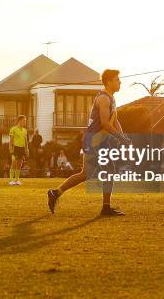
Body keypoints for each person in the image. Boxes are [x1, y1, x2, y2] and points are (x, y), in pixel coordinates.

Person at [47, 69, 127, 216]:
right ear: (108, 81)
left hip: (100, 140)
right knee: (94, 173)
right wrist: (121, 138)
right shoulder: (104, 98)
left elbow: (115, 120)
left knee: (94, 173)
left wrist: (123, 137)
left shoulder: (111, 98)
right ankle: (105, 207)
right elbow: (104, 123)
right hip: (95, 139)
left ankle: (56, 193)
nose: (120, 82)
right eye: (117, 79)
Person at [8, 115, 28, 186]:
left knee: (19, 164)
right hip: (15, 147)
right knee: (14, 163)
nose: (25, 122)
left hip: (22, 148)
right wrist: (10, 148)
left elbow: (26, 141)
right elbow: (11, 140)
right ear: (19, 121)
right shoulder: (13, 129)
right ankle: (11, 180)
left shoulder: (25, 130)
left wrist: (27, 149)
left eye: (25, 121)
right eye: (24, 121)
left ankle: (16, 180)